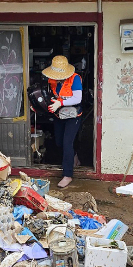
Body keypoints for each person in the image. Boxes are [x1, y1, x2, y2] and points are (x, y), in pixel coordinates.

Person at [42, 55, 83, 189]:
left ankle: (67, 175)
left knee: (67, 143)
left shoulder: (75, 78)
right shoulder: (52, 80)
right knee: (59, 141)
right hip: (59, 115)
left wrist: (60, 102)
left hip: (73, 116)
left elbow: (77, 98)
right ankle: (74, 155)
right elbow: (51, 95)